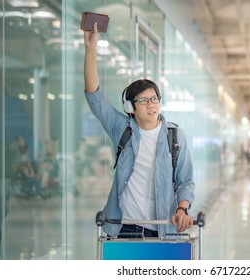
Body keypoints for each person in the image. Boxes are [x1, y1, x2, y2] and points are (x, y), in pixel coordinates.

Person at [83, 23, 195, 238]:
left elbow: (186, 180)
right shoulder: (122, 129)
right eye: (143, 100)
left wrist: (182, 209)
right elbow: (94, 96)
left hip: (162, 227)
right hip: (122, 226)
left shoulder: (175, 136)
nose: (151, 104)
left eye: (154, 99)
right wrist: (90, 49)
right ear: (130, 108)